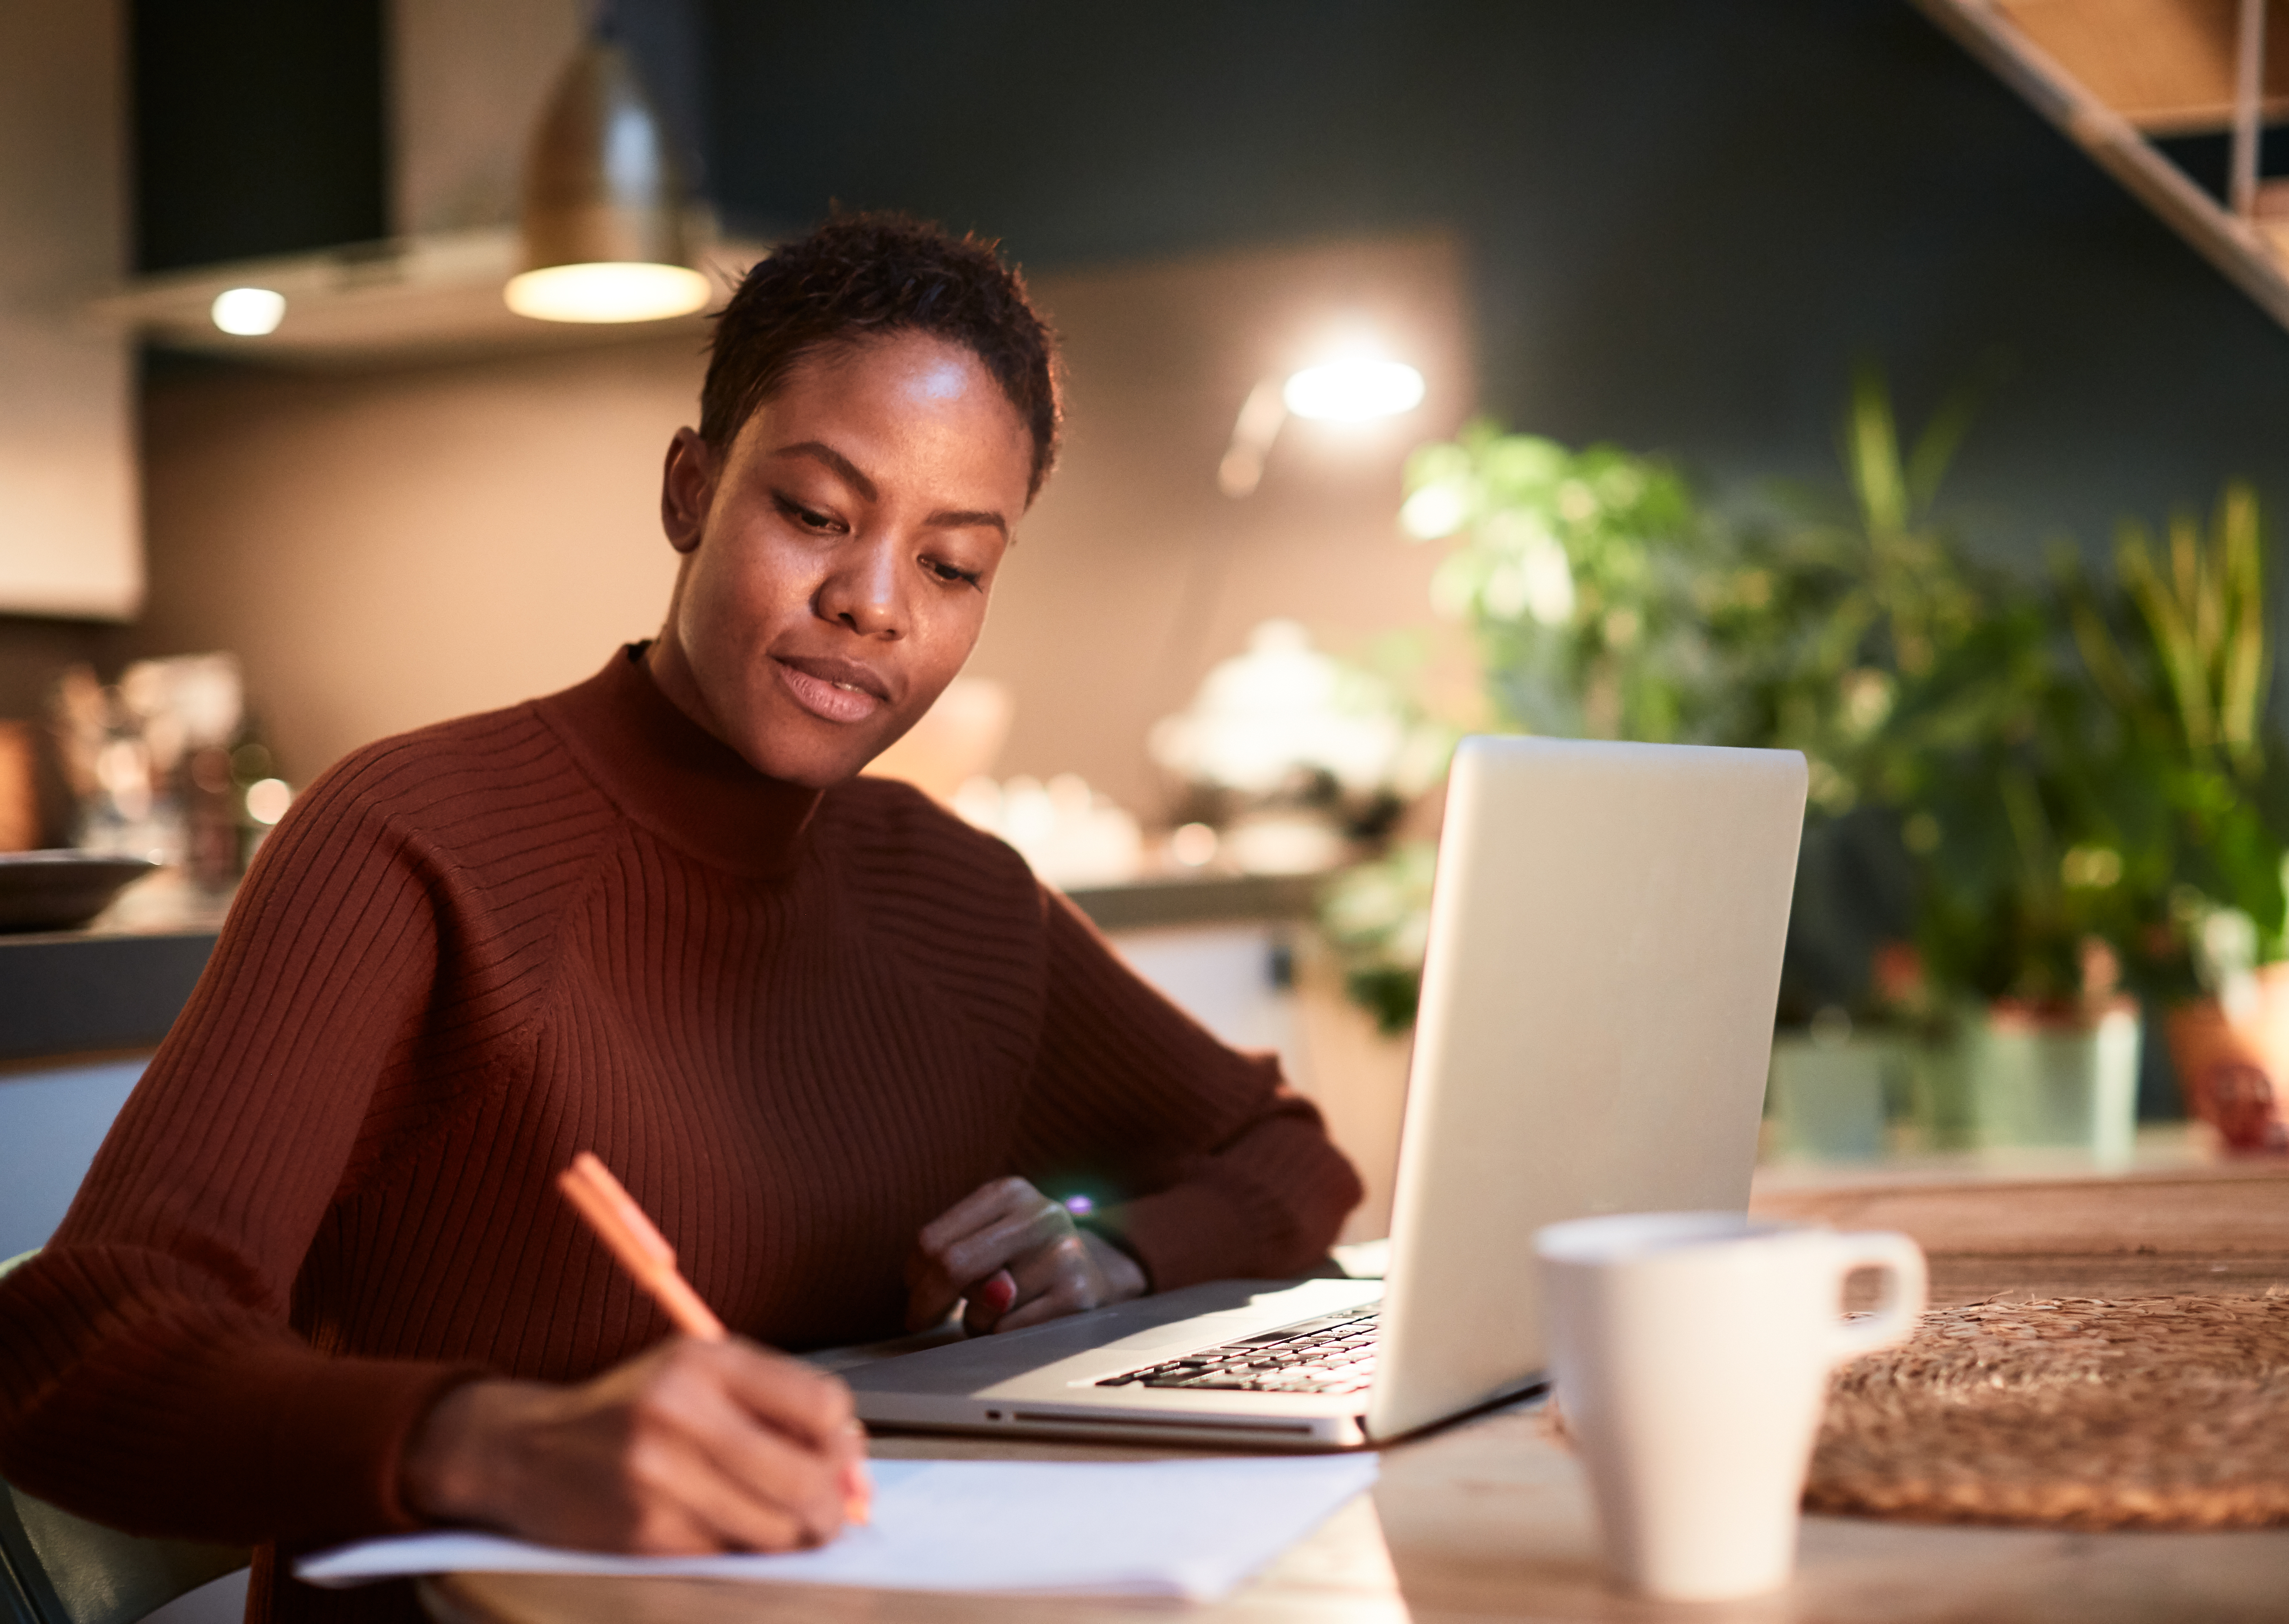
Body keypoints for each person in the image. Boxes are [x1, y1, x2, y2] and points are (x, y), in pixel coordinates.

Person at [0, 213, 1361, 1624]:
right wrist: (496, 1441)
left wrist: (1114, 1254)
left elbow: (1283, 1156)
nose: (872, 603)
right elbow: (76, 1349)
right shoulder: (411, 840)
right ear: (691, 491)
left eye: (952, 566)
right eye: (816, 515)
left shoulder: (960, 896)